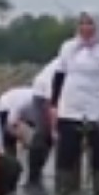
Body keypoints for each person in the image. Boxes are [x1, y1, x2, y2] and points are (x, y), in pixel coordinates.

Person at [49, 10, 99, 195]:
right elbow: (59, 76)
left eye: (90, 24)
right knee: (66, 153)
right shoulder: (69, 47)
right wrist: (54, 104)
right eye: (82, 24)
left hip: (97, 109)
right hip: (70, 107)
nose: (85, 28)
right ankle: (65, 194)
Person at [0, 86, 47, 181]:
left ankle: (34, 174)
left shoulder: (52, 106)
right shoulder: (24, 103)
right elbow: (11, 123)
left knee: (39, 143)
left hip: (29, 116)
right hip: (6, 106)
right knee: (9, 141)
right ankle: (9, 172)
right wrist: (23, 139)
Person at [25, 57, 60, 185]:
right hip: (43, 95)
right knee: (44, 134)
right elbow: (50, 105)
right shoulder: (60, 68)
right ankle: (33, 177)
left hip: (67, 98)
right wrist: (54, 130)